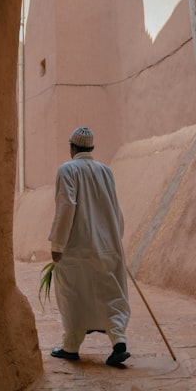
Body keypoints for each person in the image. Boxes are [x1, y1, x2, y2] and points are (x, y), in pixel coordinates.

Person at [48, 126, 131, 367]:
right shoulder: (106, 171)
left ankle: (71, 346)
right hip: (107, 245)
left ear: (72, 147)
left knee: (73, 294)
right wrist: (117, 238)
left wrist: (58, 244)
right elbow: (115, 207)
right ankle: (119, 343)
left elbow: (66, 206)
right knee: (111, 293)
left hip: (77, 248)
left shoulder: (67, 170)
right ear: (91, 148)